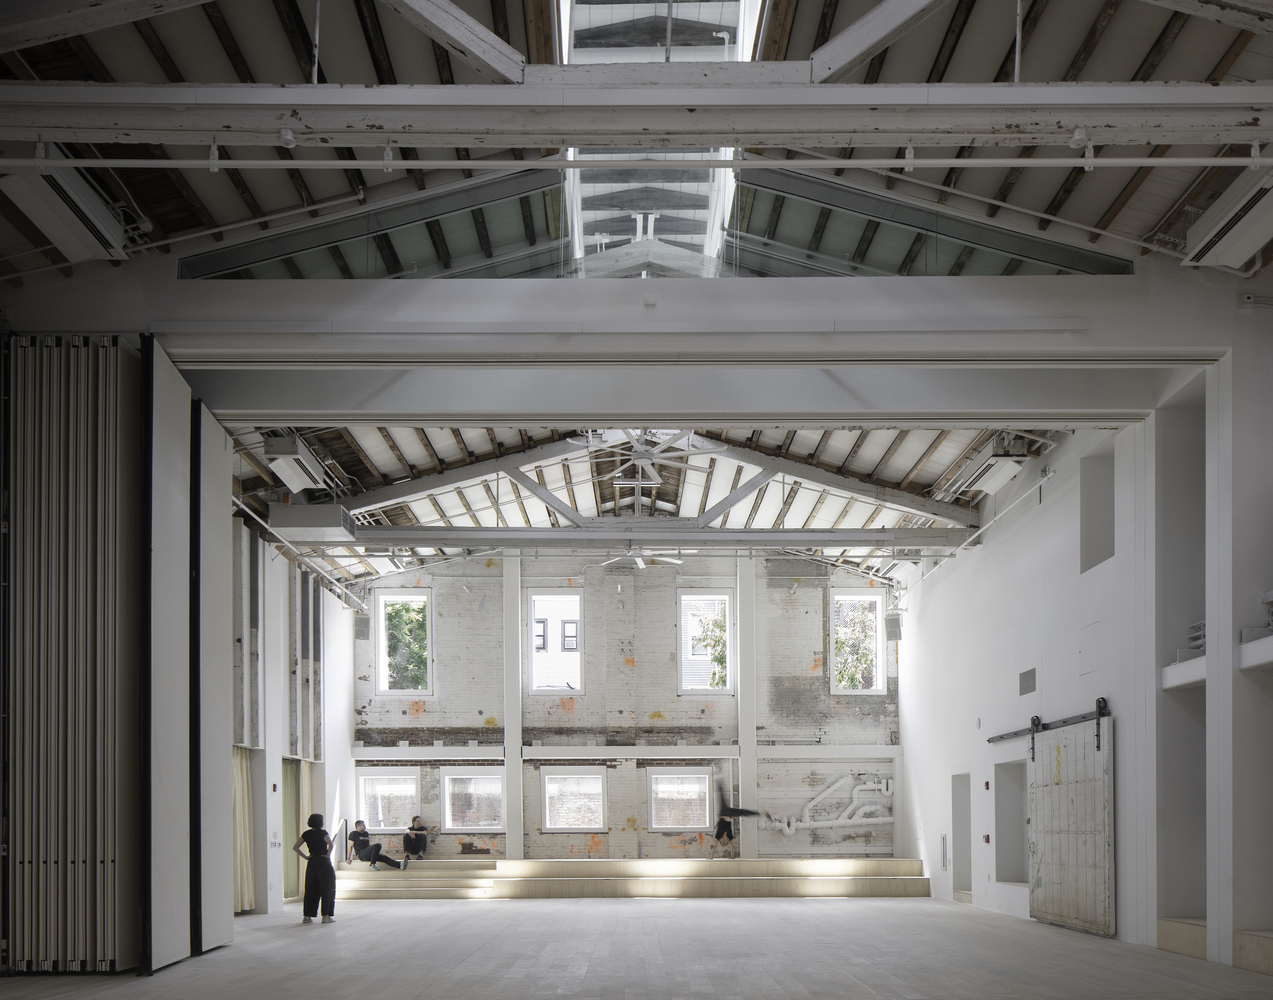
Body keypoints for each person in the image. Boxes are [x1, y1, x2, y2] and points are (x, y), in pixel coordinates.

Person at [293, 813, 336, 924]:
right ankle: (326, 916)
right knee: (327, 888)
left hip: (312, 862)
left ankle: (307, 916)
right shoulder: (323, 833)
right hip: (323, 862)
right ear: (321, 822)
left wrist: (306, 857)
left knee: (311, 888)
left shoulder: (306, 834)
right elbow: (330, 844)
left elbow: (295, 847)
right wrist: (328, 855)